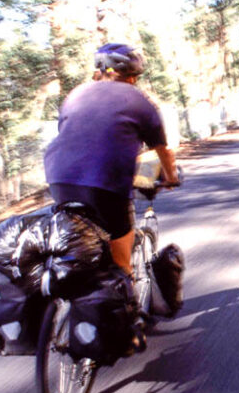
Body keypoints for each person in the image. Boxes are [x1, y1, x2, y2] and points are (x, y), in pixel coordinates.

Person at [44, 43, 179, 275]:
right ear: (131, 76)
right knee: (121, 265)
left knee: (78, 241)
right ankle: (125, 297)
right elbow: (162, 150)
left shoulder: (76, 94)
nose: (135, 82)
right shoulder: (138, 100)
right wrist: (171, 177)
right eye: (134, 76)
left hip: (58, 178)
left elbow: (71, 135)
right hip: (105, 183)